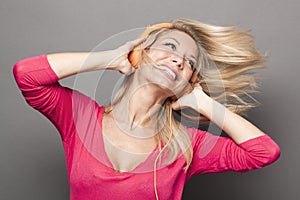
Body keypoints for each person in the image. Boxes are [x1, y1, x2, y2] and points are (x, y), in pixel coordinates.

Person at [13, 18, 280, 200]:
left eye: (189, 62)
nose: (178, 60)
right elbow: (26, 75)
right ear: (140, 53)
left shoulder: (188, 144)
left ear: (188, 81)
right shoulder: (81, 118)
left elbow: (264, 152)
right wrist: (109, 58)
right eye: (170, 46)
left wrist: (202, 102)